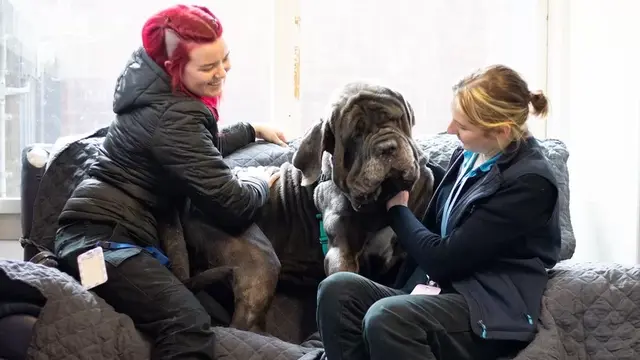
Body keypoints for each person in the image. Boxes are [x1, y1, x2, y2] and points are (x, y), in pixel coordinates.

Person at [54, 5, 286, 360]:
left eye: (225, 60)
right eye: (208, 67)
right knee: (186, 324)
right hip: (98, 245)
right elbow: (233, 205)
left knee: (210, 312)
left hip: (109, 239)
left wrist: (251, 130)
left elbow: (194, 150)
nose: (221, 72)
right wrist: (256, 181)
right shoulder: (172, 116)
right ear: (172, 67)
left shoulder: (158, 96)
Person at [316, 64, 561, 360]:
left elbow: (442, 259)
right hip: (437, 292)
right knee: (337, 291)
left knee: (387, 318)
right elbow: (435, 223)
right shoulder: (470, 155)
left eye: (463, 125)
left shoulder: (531, 184)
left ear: (501, 131)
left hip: (489, 309)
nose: (450, 129)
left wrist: (398, 211)